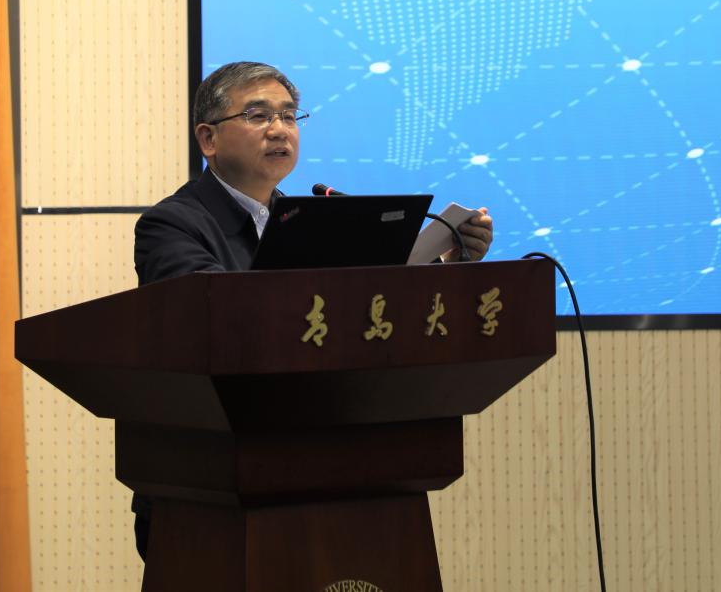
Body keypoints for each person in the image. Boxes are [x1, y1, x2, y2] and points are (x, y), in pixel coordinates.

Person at [129, 61, 494, 561]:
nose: (279, 129)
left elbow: (361, 316)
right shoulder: (172, 225)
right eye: (258, 115)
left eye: (289, 115)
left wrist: (446, 263)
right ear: (208, 139)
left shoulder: (312, 220)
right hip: (210, 484)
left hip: (328, 468)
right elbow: (211, 316)